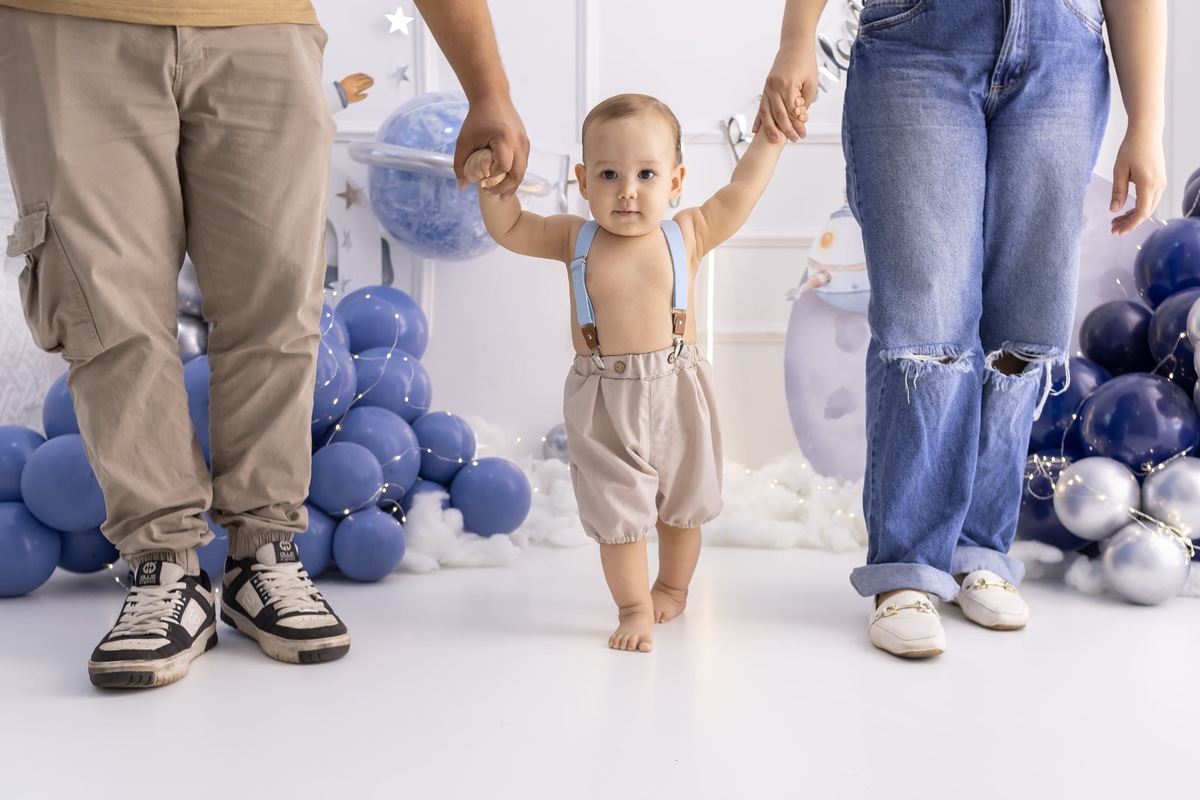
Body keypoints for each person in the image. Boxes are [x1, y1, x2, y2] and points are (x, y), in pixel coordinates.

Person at [0, 0, 529, 688]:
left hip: (260, 23)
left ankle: (264, 553)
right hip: (65, 22)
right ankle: (164, 568)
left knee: (278, 294)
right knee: (102, 307)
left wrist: (488, 89)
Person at [759, 0, 1166, 657]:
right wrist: (795, 36)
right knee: (926, 315)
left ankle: (979, 548)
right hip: (916, 38)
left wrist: (1147, 122)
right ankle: (908, 567)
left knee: (1025, 325)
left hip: (1063, 49)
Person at [463, 92, 799, 652]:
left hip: (678, 389)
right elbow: (512, 226)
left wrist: (770, 138)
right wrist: (495, 185)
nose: (627, 189)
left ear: (675, 181)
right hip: (603, 398)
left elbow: (741, 192)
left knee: (684, 505)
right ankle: (633, 606)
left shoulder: (687, 232)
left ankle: (672, 585)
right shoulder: (575, 237)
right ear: (583, 180)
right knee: (617, 512)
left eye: (646, 173)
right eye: (609, 173)